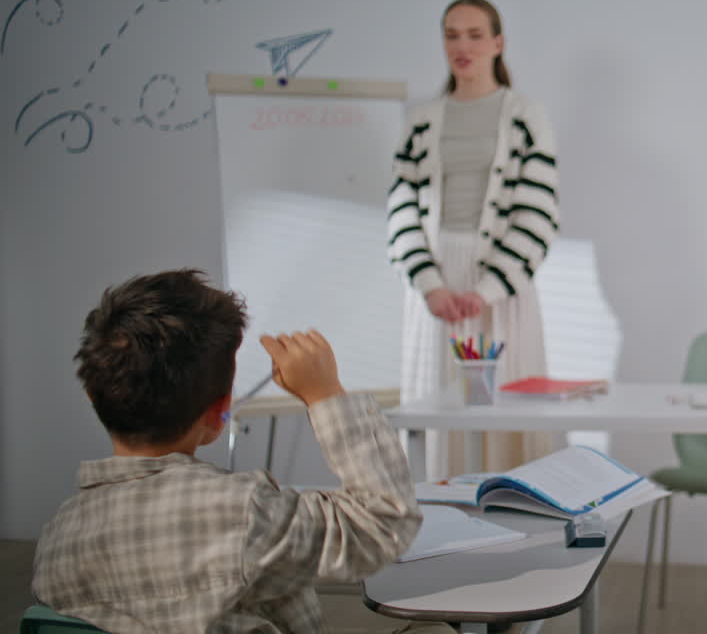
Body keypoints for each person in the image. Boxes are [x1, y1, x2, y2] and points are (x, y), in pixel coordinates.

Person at [31, 269, 424, 632]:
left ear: (92, 396)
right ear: (220, 412)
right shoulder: (243, 513)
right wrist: (325, 395)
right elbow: (384, 524)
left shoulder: (55, 544)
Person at [387, 0, 560, 477]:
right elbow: (400, 207)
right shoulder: (421, 120)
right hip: (437, 286)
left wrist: (486, 292)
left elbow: (538, 211)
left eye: (474, 34)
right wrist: (430, 285)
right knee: (438, 413)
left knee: (508, 410)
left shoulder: (526, 115)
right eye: (451, 34)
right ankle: (438, 532)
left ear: (498, 43)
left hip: (501, 287)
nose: (462, 46)